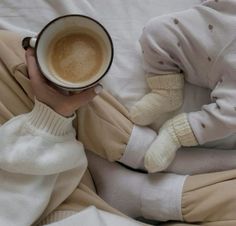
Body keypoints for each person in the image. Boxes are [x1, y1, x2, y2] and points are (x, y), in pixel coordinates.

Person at [0, 17, 236, 226]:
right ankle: (143, 178)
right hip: (54, 202)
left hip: (32, 191)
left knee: (18, 57)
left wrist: (50, 116)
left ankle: (138, 156)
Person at [124, 0, 236, 173]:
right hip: (217, 26)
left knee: (230, 118)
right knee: (156, 31)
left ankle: (176, 132)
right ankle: (167, 91)